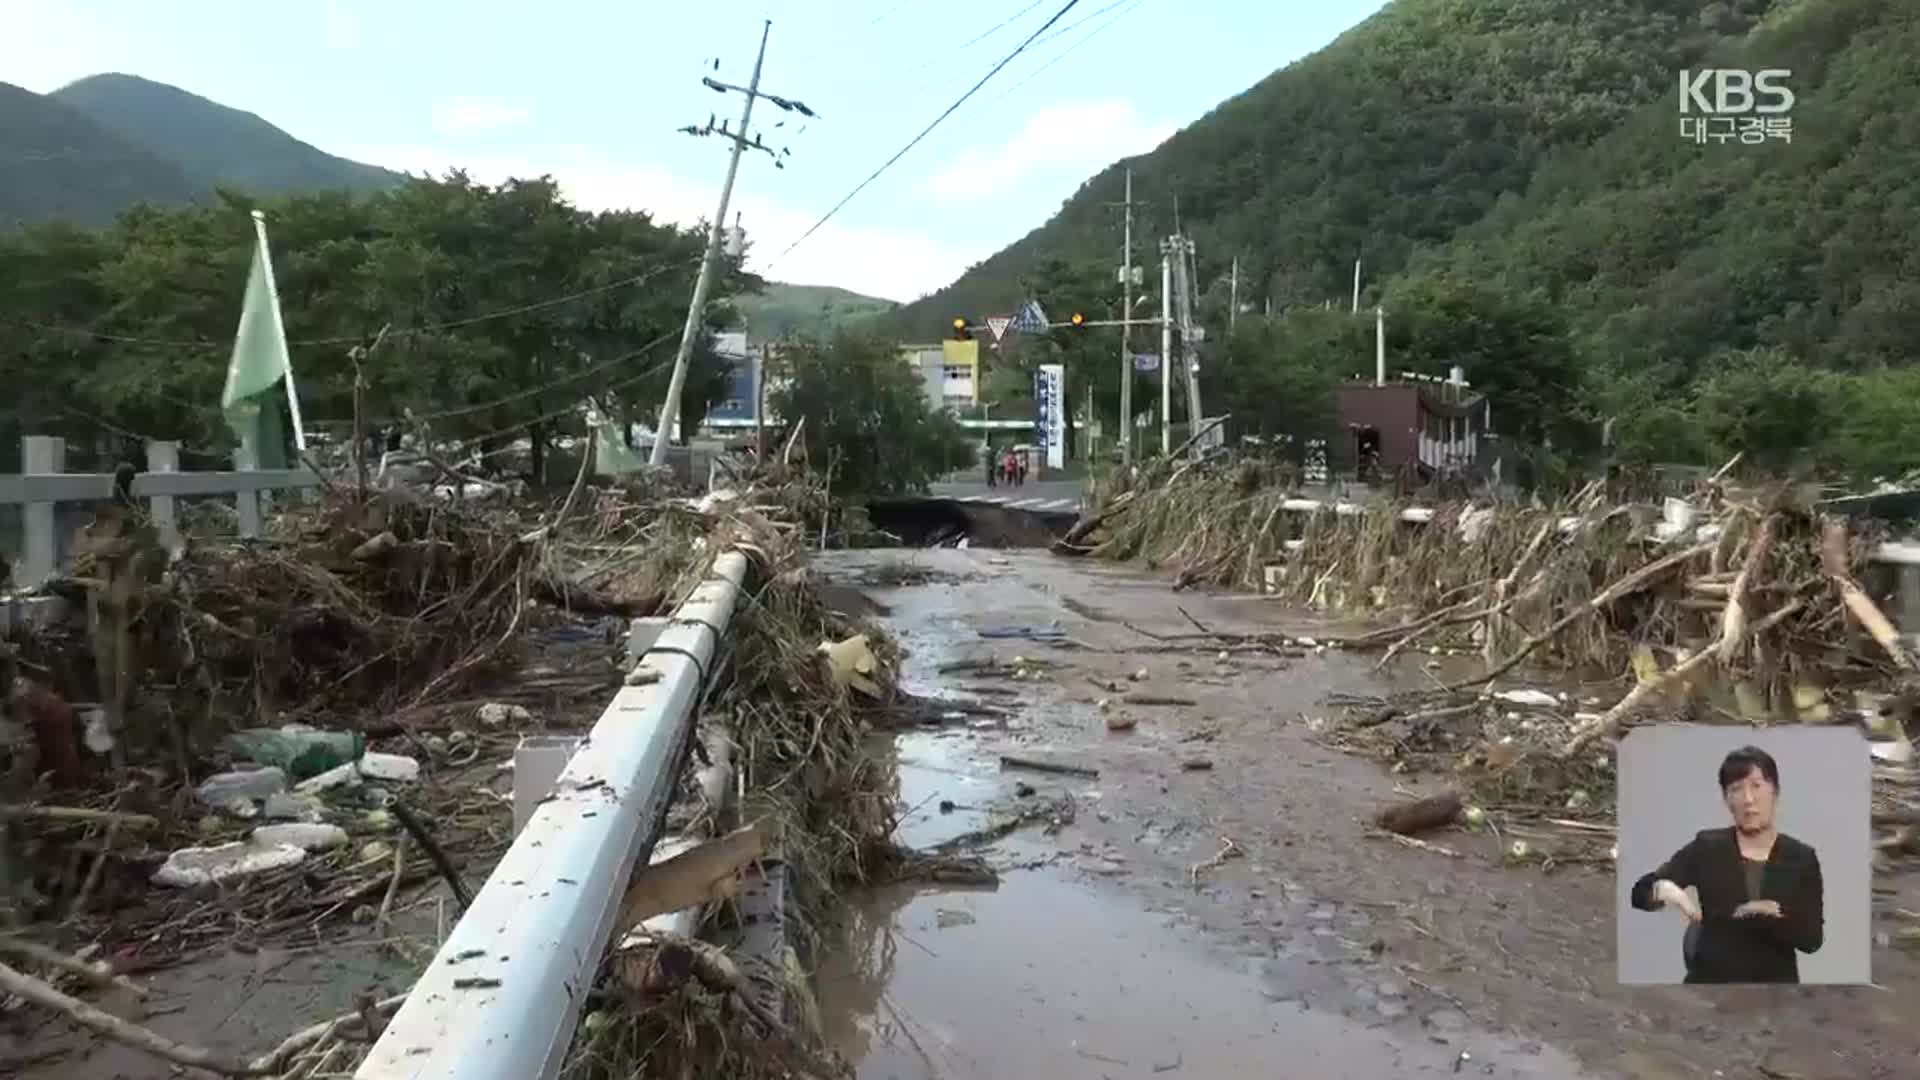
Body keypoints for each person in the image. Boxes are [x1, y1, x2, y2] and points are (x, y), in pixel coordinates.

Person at [1629, 745, 1823, 983]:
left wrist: (1768, 916)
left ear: (1775, 791)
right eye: (1736, 789)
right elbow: (1639, 894)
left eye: (1756, 786)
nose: (1748, 799)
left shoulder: (1801, 857)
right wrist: (1663, 890)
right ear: (1726, 799)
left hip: (1775, 991)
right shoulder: (1707, 846)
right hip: (1710, 985)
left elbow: (1812, 940)